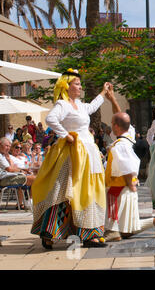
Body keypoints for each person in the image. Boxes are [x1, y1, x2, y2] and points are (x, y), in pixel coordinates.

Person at [30, 69, 111, 249]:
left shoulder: (80, 105)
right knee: (64, 191)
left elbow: (92, 107)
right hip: (72, 153)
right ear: (66, 86)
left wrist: (103, 93)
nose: (80, 87)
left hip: (88, 152)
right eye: (77, 84)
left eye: (80, 84)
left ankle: (90, 234)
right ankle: (50, 232)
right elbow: (51, 119)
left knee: (88, 191)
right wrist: (66, 135)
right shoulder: (63, 104)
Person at [102, 97, 155, 242]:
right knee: (128, 230)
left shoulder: (120, 145)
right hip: (127, 189)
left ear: (115, 126)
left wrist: (130, 184)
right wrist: (112, 99)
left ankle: (112, 231)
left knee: (116, 229)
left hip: (119, 189)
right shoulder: (129, 134)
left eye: (112, 124)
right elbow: (121, 117)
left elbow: (127, 167)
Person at [0, 138, 34, 210]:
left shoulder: (3, 155)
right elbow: (10, 169)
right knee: (35, 179)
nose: (8, 148)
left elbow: (28, 165)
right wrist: (21, 170)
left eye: (20, 148)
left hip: (10, 175)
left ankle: (28, 201)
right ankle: (28, 202)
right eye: (6, 146)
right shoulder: (4, 156)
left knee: (34, 177)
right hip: (4, 178)